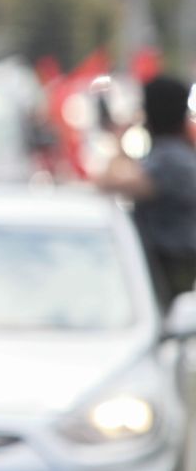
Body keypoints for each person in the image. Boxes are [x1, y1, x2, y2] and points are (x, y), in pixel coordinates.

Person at [96, 74, 196, 308]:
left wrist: (118, 141)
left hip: (172, 265)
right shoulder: (170, 155)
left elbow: (108, 182)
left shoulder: (171, 161)